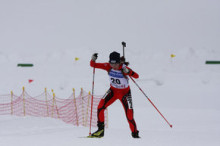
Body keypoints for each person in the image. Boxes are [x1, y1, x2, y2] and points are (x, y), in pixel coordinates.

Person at [90, 51, 140, 138]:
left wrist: (129, 72)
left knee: (129, 116)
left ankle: (135, 134)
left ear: (119, 62)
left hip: (125, 94)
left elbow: (136, 76)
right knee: (100, 107)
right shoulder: (108, 66)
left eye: (115, 64)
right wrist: (93, 59)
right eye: (111, 63)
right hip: (112, 91)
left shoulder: (123, 68)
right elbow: (93, 65)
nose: (113, 66)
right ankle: (100, 131)